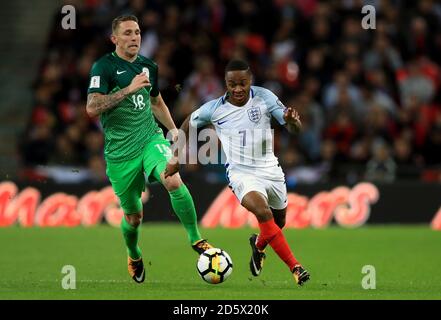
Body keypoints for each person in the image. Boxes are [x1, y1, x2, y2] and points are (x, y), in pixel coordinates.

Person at [86, 15, 213, 284]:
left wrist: (173, 129)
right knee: (133, 217)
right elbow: (91, 108)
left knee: (173, 178)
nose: (134, 38)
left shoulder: (148, 66)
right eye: (128, 33)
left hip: (150, 140)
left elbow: (155, 101)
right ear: (115, 39)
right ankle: (133, 254)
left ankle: (196, 239)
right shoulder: (104, 67)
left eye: (138, 32)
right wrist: (127, 90)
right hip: (120, 153)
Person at [165, 59, 310, 286]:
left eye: (242, 83)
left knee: (277, 223)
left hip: (270, 169)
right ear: (226, 82)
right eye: (232, 83)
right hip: (241, 173)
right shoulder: (214, 109)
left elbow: (294, 128)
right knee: (263, 213)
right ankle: (295, 267)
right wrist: (176, 158)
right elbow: (187, 124)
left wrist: (293, 122)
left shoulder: (265, 97)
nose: (238, 88)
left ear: (250, 79)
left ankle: (258, 245)